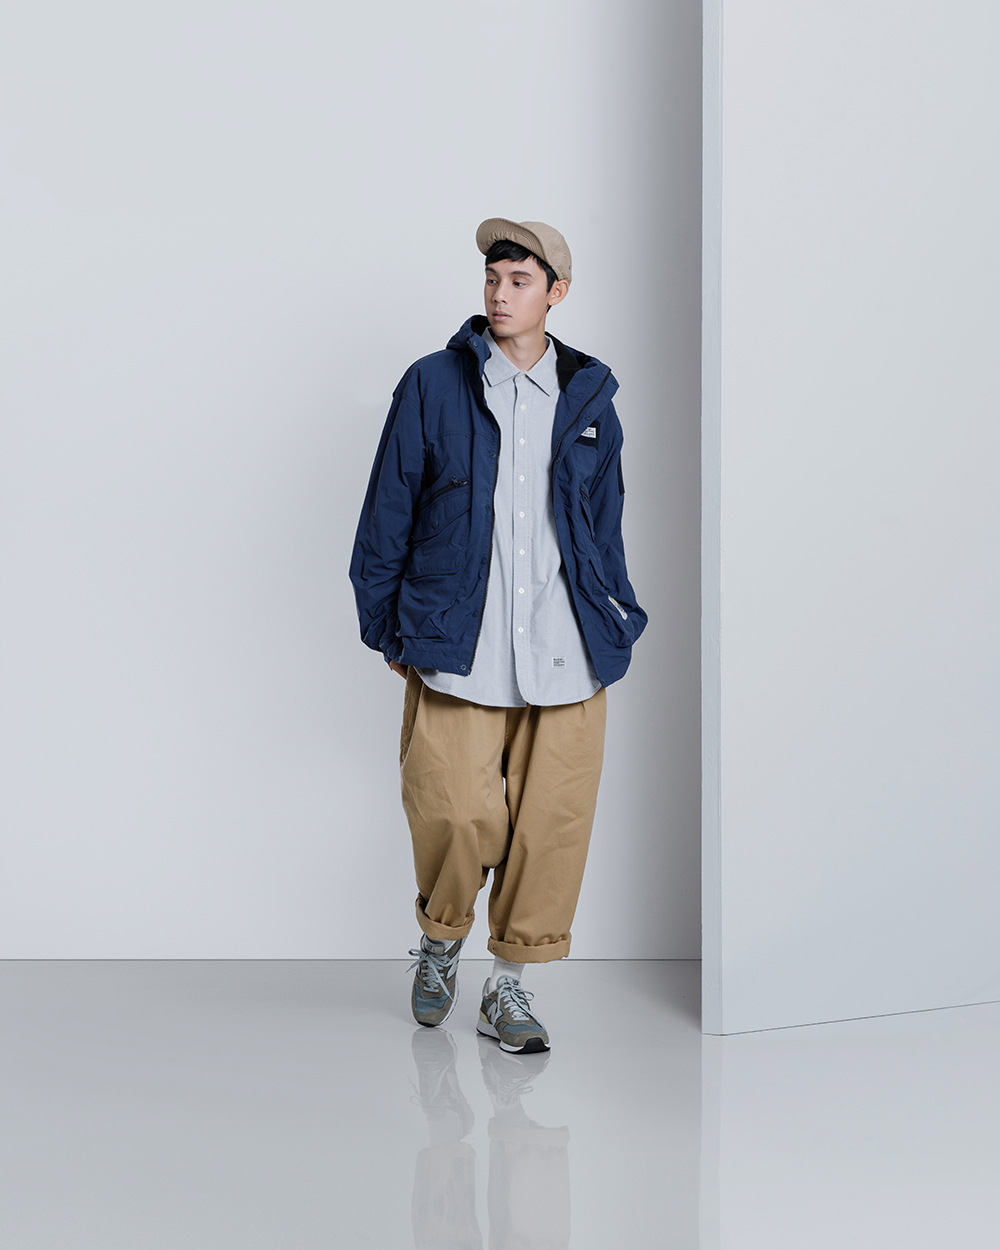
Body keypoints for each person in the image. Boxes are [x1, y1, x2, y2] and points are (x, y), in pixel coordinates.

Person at [350, 218, 646, 1053]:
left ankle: (508, 986)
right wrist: (387, 627)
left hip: (568, 649)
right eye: (493, 278)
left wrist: (619, 616)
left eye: (520, 280)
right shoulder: (432, 383)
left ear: (557, 292)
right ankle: (441, 941)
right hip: (458, 645)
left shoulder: (590, 398)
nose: (500, 293)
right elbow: (387, 511)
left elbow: (606, 524)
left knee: (551, 827)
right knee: (452, 809)